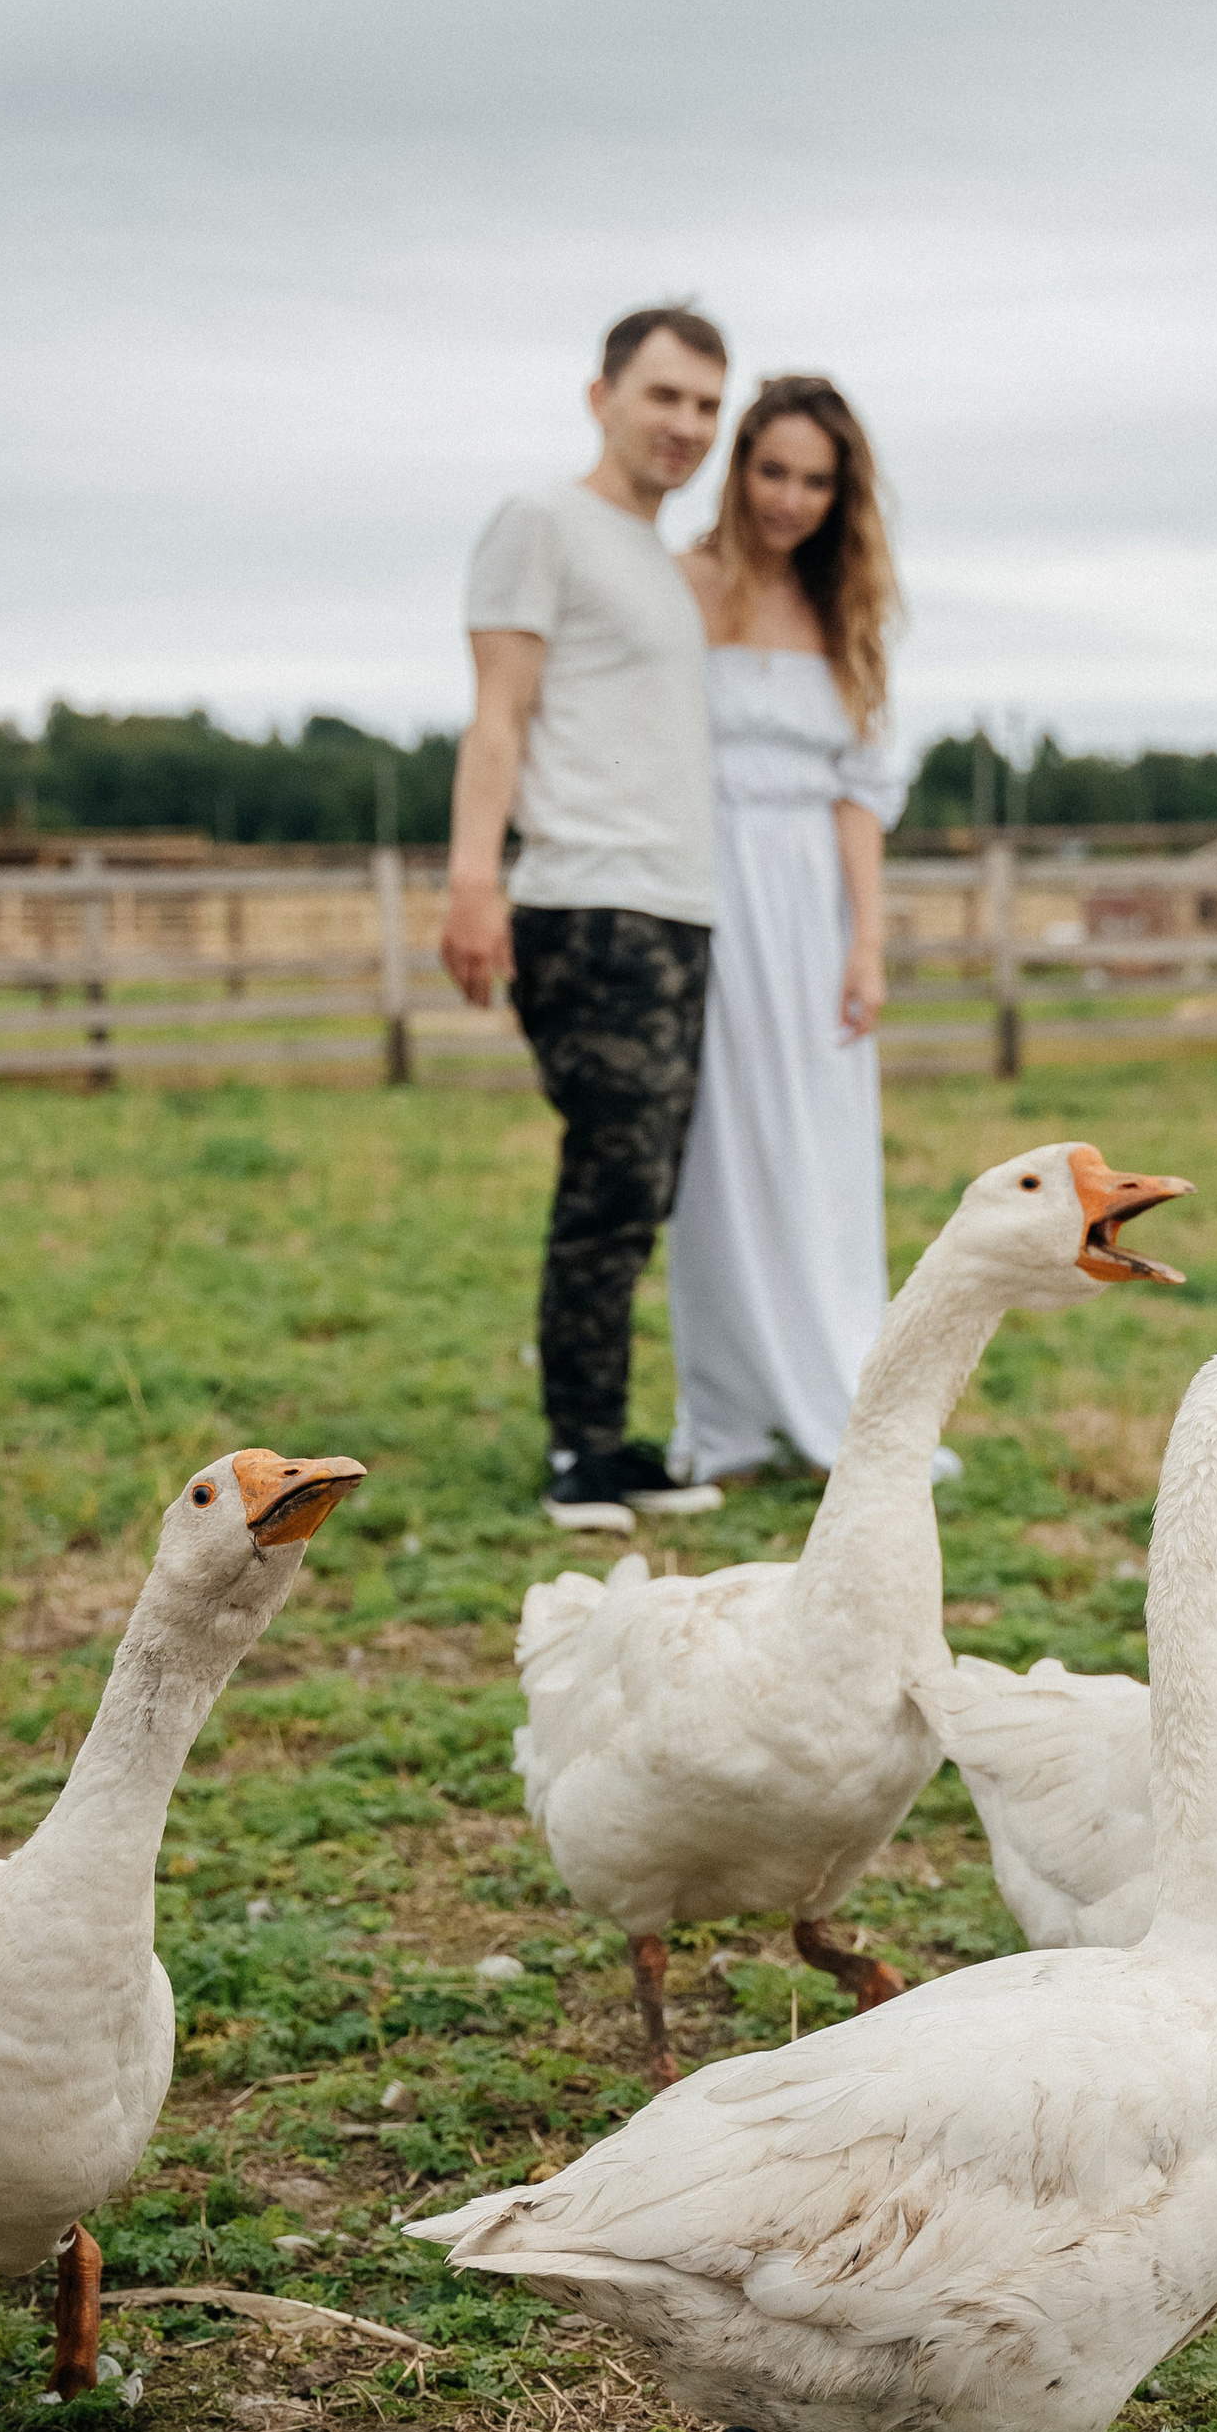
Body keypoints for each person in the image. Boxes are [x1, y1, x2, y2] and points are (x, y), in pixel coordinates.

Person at [443, 302, 732, 1528]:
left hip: (677, 903)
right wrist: (471, 880)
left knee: (649, 1183)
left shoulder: (661, 566)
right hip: (584, 898)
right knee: (609, 1180)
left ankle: (612, 1442)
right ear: (602, 393)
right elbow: (498, 713)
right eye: (664, 396)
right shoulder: (540, 524)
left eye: (708, 406)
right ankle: (579, 1450)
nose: (687, 425)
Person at [668, 374, 937, 1488]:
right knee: (716, 1154)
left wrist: (865, 940)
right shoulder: (677, 587)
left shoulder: (848, 613)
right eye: (772, 471)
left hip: (811, 903)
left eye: (816, 480)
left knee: (824, 1153)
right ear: (738, 470)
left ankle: (838, 1392)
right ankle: (727, 1415)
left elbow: (858, 794)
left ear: (843, 494)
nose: (789, 498)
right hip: (699, 883)